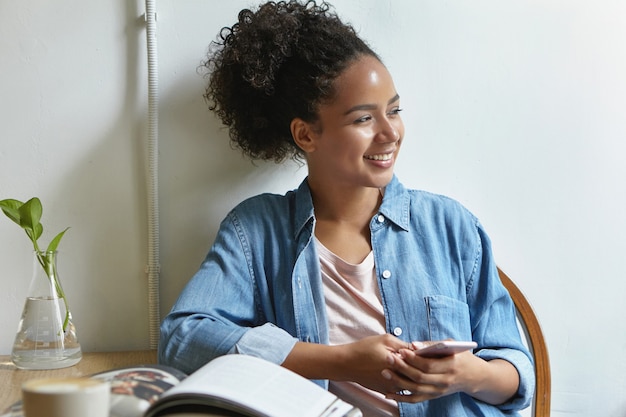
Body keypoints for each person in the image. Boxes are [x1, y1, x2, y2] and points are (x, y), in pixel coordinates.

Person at [158, 1, 535, 416]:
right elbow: (182, 339)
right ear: (306, 134)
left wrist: (468, 374)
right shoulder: (257, 232)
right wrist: (342, 361)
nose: (390, 133)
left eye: (394, 110)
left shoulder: (451, 226)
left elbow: (518, 374)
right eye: (363, 120)